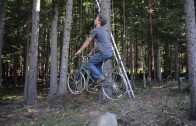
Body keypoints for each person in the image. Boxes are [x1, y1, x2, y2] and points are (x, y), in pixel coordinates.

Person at [75, 14, 113, 84]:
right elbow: (98, 44)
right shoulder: (105, 32)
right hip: (109, 53)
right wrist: (91, 52)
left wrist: (80, 50)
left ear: (99, 21)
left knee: (89, 63)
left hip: (103, 52)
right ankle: (104, 82)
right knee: (97, 65)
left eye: (96, 19)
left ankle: (99, 77)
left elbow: (88, 41)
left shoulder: (95, 30)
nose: (94, 20)